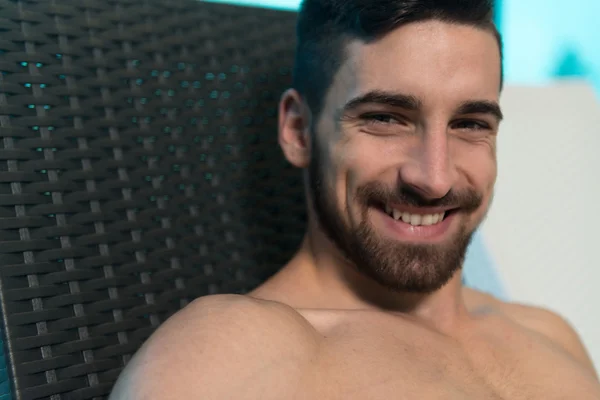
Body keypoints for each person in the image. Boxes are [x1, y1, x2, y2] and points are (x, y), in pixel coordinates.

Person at [110, 0, 600, 398]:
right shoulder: (232, 355)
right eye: (386, 118)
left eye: (470, 125)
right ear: (299, 131)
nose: (434, 178)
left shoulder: (551, 335)